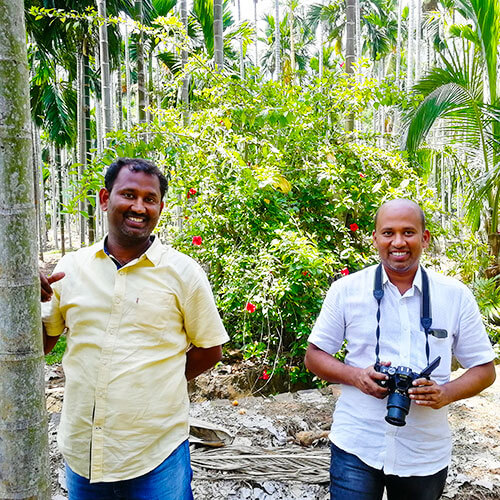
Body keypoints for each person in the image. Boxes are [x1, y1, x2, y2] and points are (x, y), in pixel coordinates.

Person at [40, 158, 229, 500]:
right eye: (128, 194)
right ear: (104, 198)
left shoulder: (183, 274)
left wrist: (158, 382)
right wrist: (18, 301)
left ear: (160, 207)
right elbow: (41, 343)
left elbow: (209, 350)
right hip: (84, 452)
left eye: (149, 198)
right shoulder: (71, 269)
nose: (138, 207)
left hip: (156, 454)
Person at [305, 199, 496, 500]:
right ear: (375, 238)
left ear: (425, 238)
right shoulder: (346, 290)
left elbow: (485, 370)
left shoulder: (455, 296)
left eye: (408, 232)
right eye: (388, 232)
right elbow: (314, 357)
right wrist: (356, 377)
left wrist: (445, 394)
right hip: (357, 444)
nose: (398, 242)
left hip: (423, 452)